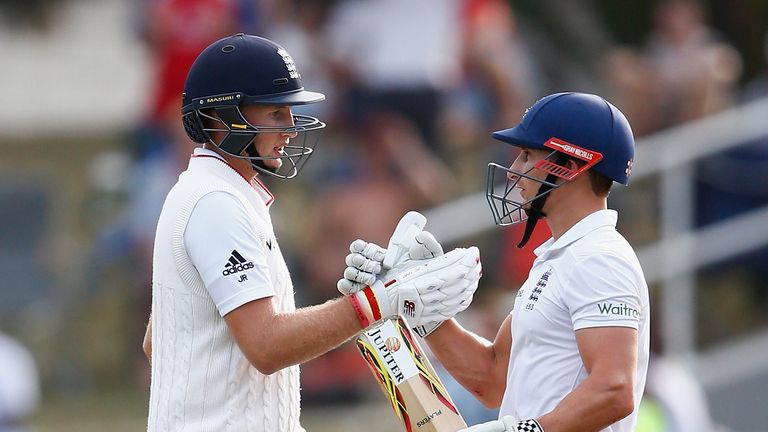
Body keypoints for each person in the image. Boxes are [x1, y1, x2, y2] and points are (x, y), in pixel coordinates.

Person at [142, 33, 481, 431]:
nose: (290, 129)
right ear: (220, 117)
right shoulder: (217, 203)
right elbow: (266, 346)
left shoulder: (217, 192)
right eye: (274, 114)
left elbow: (158, 341)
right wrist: (378, 302)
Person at [343, 92, 650, 431]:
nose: (515, 170)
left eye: (526, 155)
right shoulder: (561, 256)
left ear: (570, 167)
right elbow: (491, 379)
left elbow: (615, 389)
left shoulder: (598, 258)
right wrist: (418, 304)